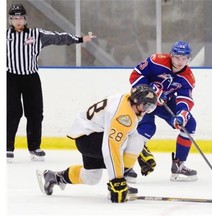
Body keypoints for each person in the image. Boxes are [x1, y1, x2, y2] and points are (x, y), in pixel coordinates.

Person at [36, 85, 157, 203]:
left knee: (91, 177)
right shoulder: (123, 115)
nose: (146, 110)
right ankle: (120, 182)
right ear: (135, 100)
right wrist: (117, 181)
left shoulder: (127, 100)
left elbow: (127, 132)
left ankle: (54, 177)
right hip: (90, 139)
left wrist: (140, 151)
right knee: (133, 142)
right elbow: (111, 148)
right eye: (145, 105)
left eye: (150, 107)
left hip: (88, 134)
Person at [6, 3, 96, 162]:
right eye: (14, 18)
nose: (17, 21)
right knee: (12, 113)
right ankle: (7, 147)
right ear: (10, 20)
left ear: (25, 19)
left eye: (20, 17)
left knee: (35, 113)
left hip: (31, 78)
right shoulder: (5, 36)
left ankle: (34, 147)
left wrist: (80, 39)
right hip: (11, 78)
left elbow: (58, 37)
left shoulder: (36, 34)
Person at [126, 41, 197, 182]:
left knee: (189, 124)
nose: (180, 61)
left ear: (189, 58)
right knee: (147, 129)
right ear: (171, 56)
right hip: (143, 100)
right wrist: (149, 90)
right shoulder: (156, 61)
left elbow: (185, 98)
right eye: (177, 57)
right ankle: (126, 167)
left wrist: (182, 114)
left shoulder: (188, 77)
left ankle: (179, 164)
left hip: (165, 101)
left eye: (184, 58)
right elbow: (136, 75)